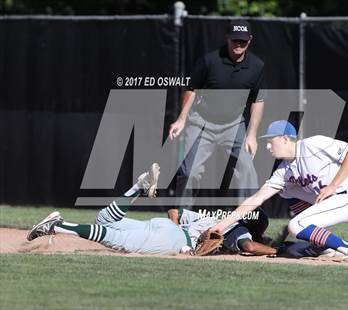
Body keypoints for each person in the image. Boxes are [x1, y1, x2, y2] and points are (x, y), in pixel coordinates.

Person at [211, 120, 348, 262]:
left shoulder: (313, 144)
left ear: (284, 138)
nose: (267, 146)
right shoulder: (284, 171)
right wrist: (220, 226)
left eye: (270, 141)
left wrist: (333, 185)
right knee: (285, 190)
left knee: (296, 225)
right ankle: (322, 246)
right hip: (333, 201)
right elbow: (256, 199)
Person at [169, 19, 265, 201]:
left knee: (247, 170)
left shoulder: (257, 66)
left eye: (243, 41)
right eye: (235, 40)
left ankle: (250, 220)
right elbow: (191, 89)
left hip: (234, 124)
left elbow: (258, 100)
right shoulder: (209, 60)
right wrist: (182, 119)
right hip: (202, 122)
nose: (238, 44)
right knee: (190, 172)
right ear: (227, 38)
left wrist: (252, 135)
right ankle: (180, 218)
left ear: (250, 40)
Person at [27, 164, 194, 255]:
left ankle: (138, 187)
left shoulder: (211, 218)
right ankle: (56, 226)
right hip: (179, 239)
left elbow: (175, 213)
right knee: (120, 239)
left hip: (169, 227)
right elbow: (216, 234)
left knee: (104, 220)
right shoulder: (218, 223)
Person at [167, 207, 276, 256]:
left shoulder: (214, 217)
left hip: (164, 229)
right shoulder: (239, 229)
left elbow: (173, 212)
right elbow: (249, 247)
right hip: (184, 244)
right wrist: (276, 251)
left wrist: (175, 230)